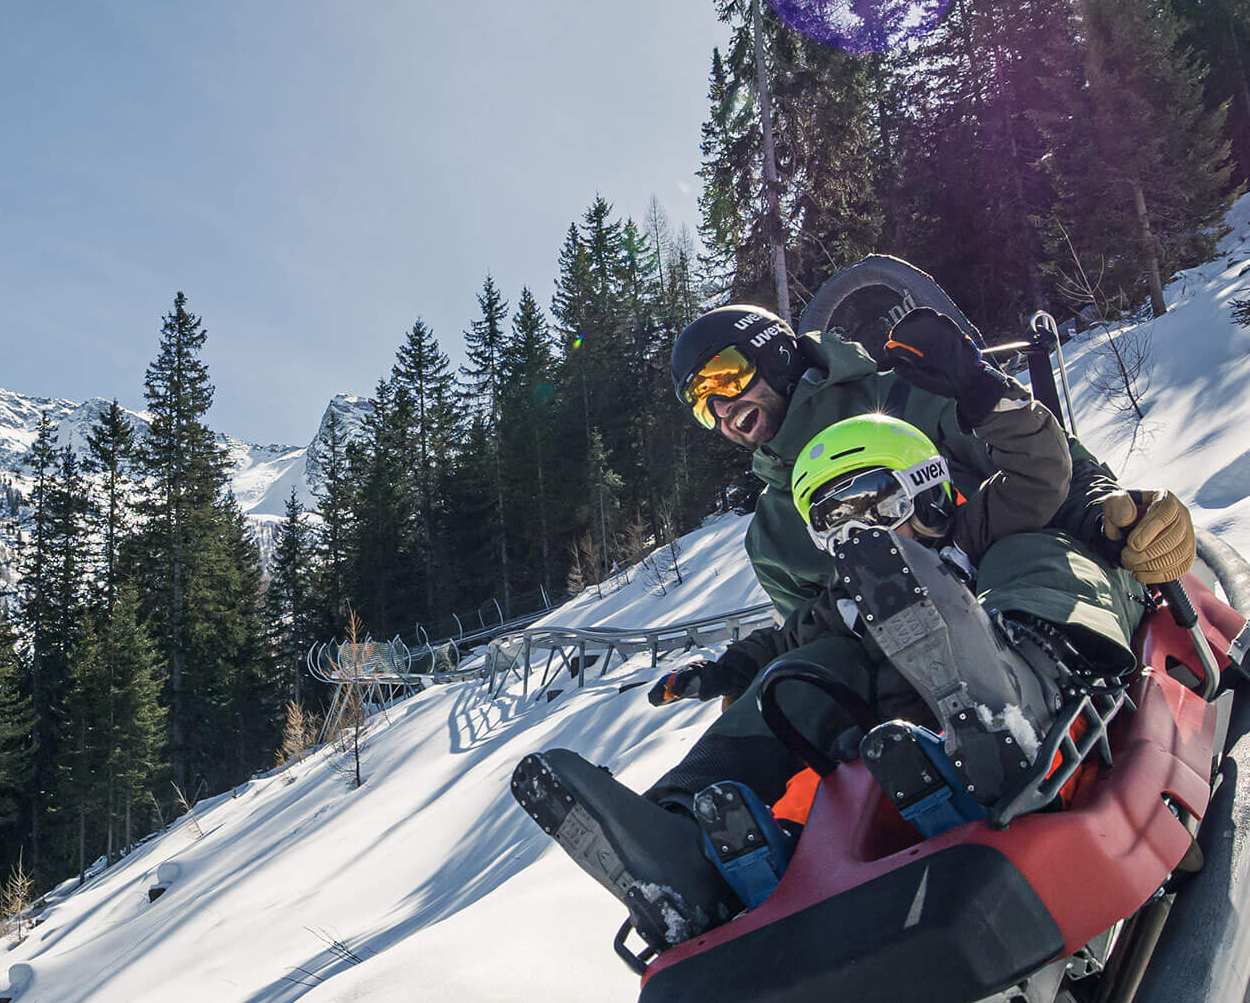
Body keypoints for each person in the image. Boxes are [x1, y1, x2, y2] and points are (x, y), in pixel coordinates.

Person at [511, 301, 1196, 953]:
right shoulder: (776, 530)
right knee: (803, 676)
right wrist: (741, 667)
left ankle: (1018, 705)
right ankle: (683, 840)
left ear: (775, 355)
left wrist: (1109, 511)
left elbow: (1046, 475)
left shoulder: (912, 398)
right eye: (702, 403)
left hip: (1032, 620)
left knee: (1022, 553)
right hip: (909, 698)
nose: (721, 408)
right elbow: (811, 633)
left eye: (725, 378)